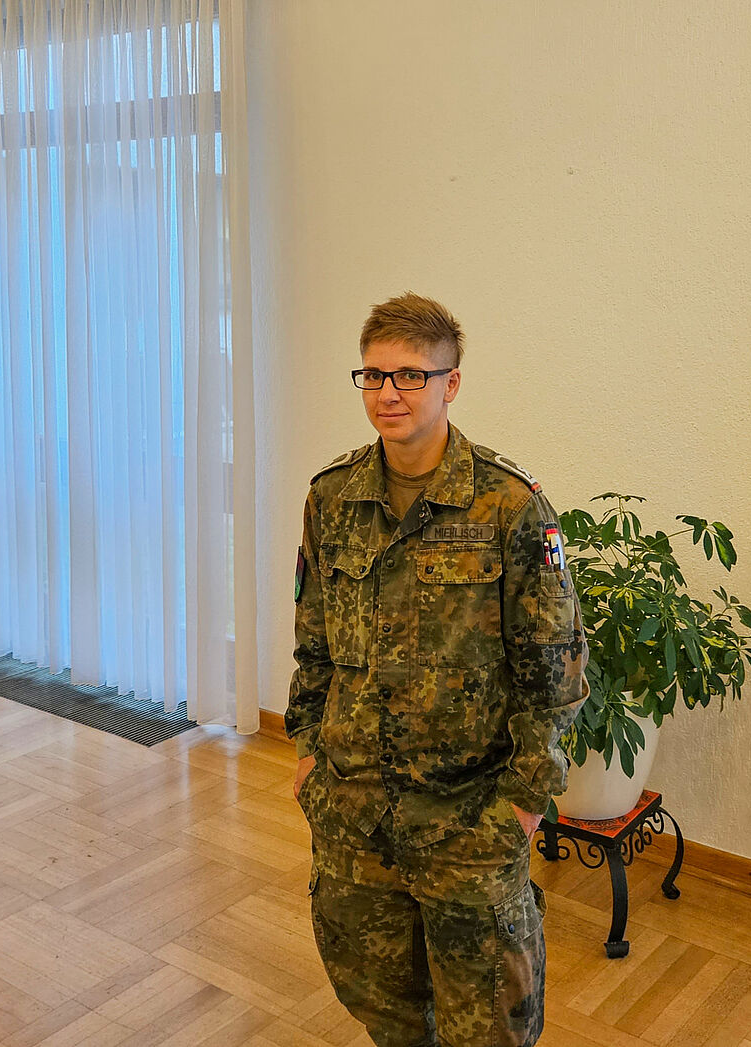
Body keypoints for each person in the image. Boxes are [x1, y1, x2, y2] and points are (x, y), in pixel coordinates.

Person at [286, 292, 587, 1046]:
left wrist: (522, 802)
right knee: (384, 1011)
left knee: (488, 1025)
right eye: (375, 375)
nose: (389, 393)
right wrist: (306, 753)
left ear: (451, 383)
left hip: (469, 819)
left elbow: (556, 670)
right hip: (355, 812)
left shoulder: (511, 506)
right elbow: (313, 641)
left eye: (412, 375)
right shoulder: (332, 498)